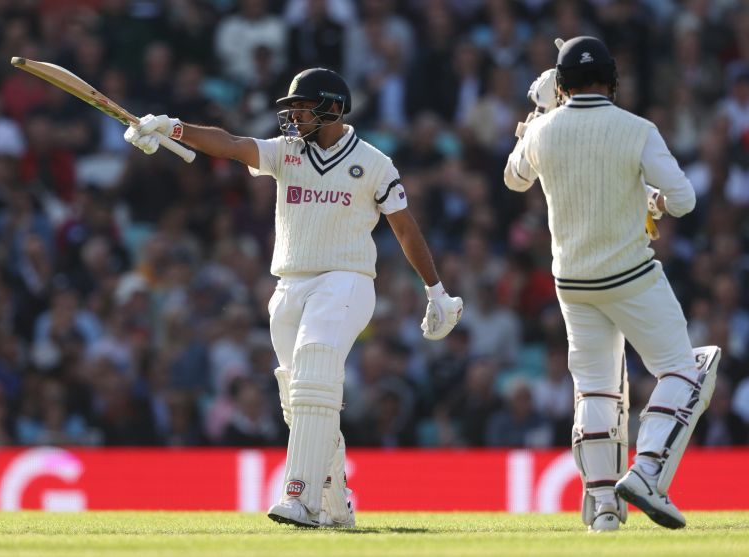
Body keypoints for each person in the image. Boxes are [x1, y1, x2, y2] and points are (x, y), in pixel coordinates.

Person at [123, 67, 463, 527]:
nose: (295, 116)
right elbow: (230, 143)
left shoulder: (374, 162)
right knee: (300, 399)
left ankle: (298, 497)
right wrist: (172, 127)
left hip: (347, 279)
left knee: (316, 369)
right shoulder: (287, 153)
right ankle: (336, 500)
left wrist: (435, 290)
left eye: (303, 107)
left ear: (333, 109)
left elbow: (404, 227)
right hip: (289, 284)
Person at [503, 36, 720, 532]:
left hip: (572, 282)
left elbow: (514, 178)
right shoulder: (637, 128)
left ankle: (603, 510)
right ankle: (645, 472)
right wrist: (652, 202)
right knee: (684, 372)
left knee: (596, 392)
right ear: (612, 81)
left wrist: (538, 110)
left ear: (560, 85)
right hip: (631, 276)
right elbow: (684, 200)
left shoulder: (543, 131)